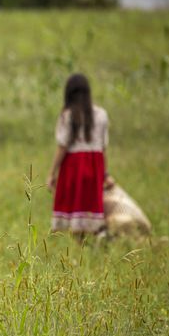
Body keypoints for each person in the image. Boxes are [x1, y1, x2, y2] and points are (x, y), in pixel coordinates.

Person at [47, 73, 114, 236]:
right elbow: (103, 147)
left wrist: (52, 172)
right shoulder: (101, 114)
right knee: (92, 204)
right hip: (94, 164)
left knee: (75, 206)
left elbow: (62, 146)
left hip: (74, 165)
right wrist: (105, 173)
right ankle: (96, 238)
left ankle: (82, 245)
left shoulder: (67, 116)